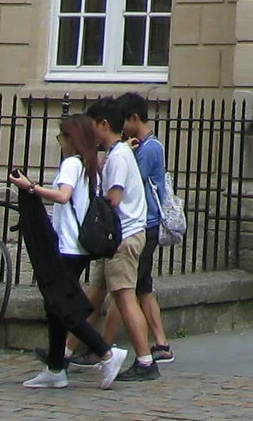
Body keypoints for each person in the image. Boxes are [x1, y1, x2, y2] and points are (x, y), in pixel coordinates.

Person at [10, 114, 128, 389]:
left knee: (61, 306)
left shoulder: (72, 164)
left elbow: (63, 196)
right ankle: (55, 368)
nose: (60, 142)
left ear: (71, 139)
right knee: (56, 307)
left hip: (68, 246)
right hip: (78, 246)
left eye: (62, 136)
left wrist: (30, 187)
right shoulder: (89, 165)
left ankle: (105, 352)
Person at [86, 97, 160, 380]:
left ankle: (145, 360)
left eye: (92, 125)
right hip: (120, 236)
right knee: (96, 295)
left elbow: (113, 199)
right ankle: (66, 352)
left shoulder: (118, 156)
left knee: (126, 299)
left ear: (104, 124)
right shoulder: (119, 153)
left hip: (123, 236)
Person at [116, 91, 176, 364]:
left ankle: (102, 346)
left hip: (146, 222)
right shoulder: (144, 145)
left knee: (125, 289)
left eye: (123, 120)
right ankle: (161, 343)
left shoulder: (150, 148)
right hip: (145, 222)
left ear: (134, 118)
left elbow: (133, 181)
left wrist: (125, 152)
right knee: (142, 287)